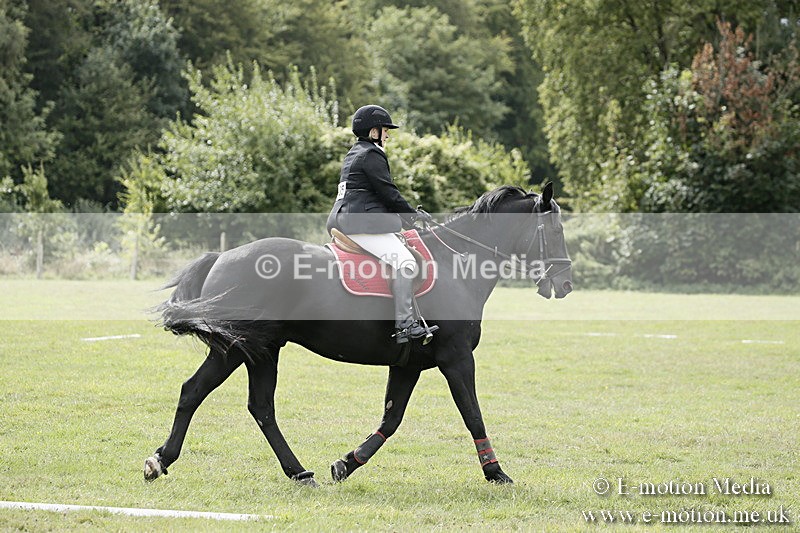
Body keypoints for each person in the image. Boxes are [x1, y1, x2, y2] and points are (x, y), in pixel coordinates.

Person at [326, 104, 435, 344]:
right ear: (373, 131)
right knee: (406, 262)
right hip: (359, 223)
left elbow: (372, 195)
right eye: (385, 130)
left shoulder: (355, 152)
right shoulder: (372, 154)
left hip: (345, 218)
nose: (387, 135)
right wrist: (412, 216)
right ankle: (405, 324)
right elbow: (388, 192)